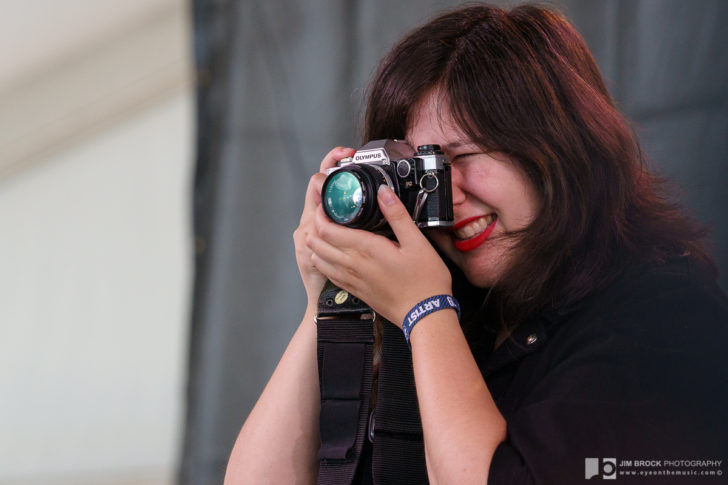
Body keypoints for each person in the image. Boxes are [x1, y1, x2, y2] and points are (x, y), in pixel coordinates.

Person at [225, 3, 728, 484]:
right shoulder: (459, 315)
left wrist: (425, 309)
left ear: (559, 145)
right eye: (425, 171)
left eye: (464, 156)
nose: (451, 193)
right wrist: (326, 302)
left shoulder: (664, 315)